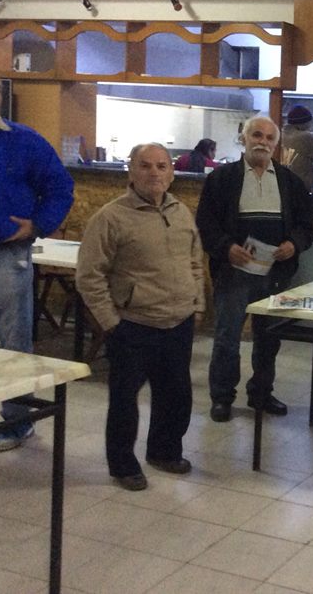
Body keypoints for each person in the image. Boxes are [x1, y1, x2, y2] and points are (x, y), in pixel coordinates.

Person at [0, 58, 74, 450]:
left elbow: (60, 188)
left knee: (14, 343)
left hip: (10, 257)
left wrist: (38, 224)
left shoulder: (23, 140)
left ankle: (18, 421)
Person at [76, 143, 204, 491]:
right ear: (131, 171)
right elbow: (89, 276)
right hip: (133, 325)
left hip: (178, 322)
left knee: (175, 395)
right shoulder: (110, 217)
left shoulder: (180, 212)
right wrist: (110, 322)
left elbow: (195, 260)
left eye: (161, 166)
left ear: (172, 173)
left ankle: (164, 451)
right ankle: (123, 465)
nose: (154, 173)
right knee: (124, 401)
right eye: (145, 165)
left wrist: (197, 303)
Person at [196, 116, 313, 423]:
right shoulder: (222, 179)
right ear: (244, 139)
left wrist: (294, 244)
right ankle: (222, 397)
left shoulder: (290, 182)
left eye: (269, 138)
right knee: (227, 337)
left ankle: (261, 393)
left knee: (268, 339)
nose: (263, 142)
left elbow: (308, 225)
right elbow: (206, 223)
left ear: (276, 144)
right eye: (257, 135)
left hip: (275, 274)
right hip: (234, 273)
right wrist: (226, 247)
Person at [281, 104, 313, 192]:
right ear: (303, 123)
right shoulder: (306, 136)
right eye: (308, 122)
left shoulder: (280, 133)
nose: (310, 125)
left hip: (283, 182)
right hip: (301, 183)